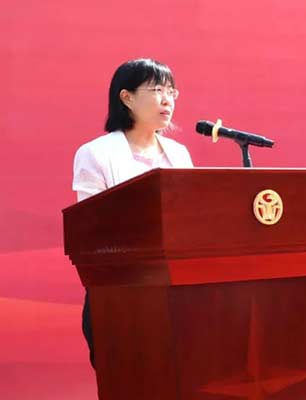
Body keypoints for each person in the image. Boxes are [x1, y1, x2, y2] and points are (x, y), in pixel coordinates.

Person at [71, 58, 193, 368]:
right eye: (156, 90)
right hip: (119, 295)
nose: (167, 100)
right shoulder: (95, 153)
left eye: (171, 92)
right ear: (126, 97)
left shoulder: (178, 154)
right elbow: (91, 230)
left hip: (176, 294)